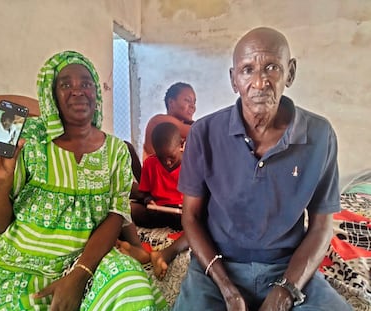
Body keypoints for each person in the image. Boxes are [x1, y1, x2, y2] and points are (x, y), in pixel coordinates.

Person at [173, 27, 353, 311]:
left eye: (272, 67)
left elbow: (321, 226)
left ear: (290, 73)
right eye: (247, 70)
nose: (259, 82)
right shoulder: (204, 133)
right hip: (218, 267)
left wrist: (286, 289)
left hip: (287, 267)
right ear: (233, 79)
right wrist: (227, 290)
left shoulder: (319, 135)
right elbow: (191, 217)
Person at [0, 50, 167, 311]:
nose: (77, 91)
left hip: (89, 260)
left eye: (85, 83)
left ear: (96, 95)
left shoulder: (116, 150)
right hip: (19, 267)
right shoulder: (28, 138)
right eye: (65, 84)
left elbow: (115, 214)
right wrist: (1, 180)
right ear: (51, 96)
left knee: (132, 290)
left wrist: (79, 275)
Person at [119, 122, 189, 280]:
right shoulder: (151, 163)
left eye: (171, 157)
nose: (167, 163)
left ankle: (160, 254)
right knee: (127, 209)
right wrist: (149, 201)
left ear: (181, 145)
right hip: (158, 210)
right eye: (162, 158)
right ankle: (137, 248)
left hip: (180, 214)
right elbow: (145, 193)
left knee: (199, 224)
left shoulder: (190, 163)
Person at [143, 82, 196, 160]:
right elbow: (199, 131)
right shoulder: (158, 121)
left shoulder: (189, 127)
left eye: (194, 102)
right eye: (187, 100)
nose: (193, 106)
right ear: (171, 102)